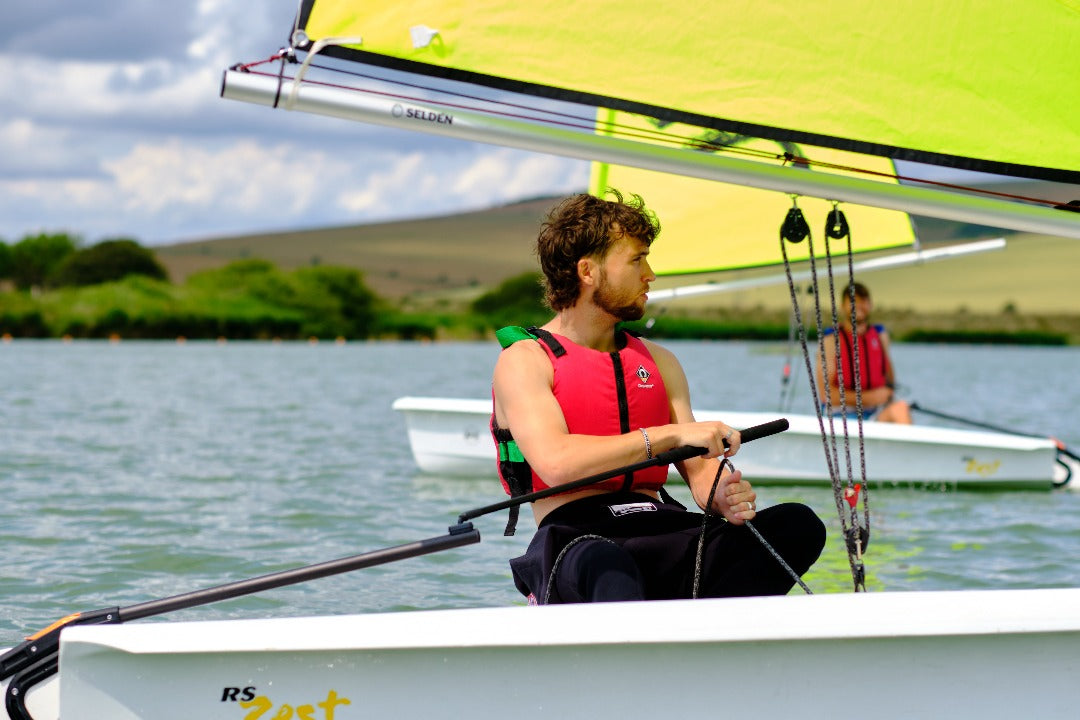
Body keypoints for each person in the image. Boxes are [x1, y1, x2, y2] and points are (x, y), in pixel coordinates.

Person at [490, 190, 825, 605]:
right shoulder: (525, 360)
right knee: (607, 568)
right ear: (588, 271)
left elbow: (701, 479)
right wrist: (667, 436)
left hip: (662, 529)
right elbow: (557, 464)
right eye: (636, 259)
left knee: (798, 524)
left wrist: (722, 495)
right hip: (576, 541)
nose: (650, 274)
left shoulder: (661, 362)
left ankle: (710, 637)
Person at [817, 281, 912, 424]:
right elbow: (826, 394)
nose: (859, 306)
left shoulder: (880, 336)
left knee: (901, 409)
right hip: (843, 416)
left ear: (870, 305)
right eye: (853, 301)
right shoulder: (831, 340)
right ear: (843, 306)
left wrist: (886, 395)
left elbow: (889, 381)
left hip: (875, 412)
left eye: (864, 301)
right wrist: (869, 398)